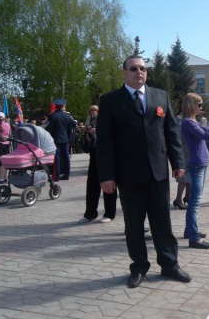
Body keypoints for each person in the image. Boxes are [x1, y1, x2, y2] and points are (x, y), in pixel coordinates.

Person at [96, 55, 191, 288]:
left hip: (158, 172)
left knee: (162, 222)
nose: (139, 72)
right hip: (128, 174)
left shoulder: (160, 96)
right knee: (134, 224)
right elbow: (105, 142)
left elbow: (171, 132)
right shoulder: (110, 100)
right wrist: (106, 176)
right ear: (124, 72)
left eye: (143, 68)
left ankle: (170, 265)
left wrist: (178, 162)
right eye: (134, 68)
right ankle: (139, 266)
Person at [180, 93, 209, 248]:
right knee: (195, 203)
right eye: (199, 105)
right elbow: (208, 135)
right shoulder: (187, 122)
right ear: (191, 105)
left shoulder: (193, 121)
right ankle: (194, 238)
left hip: (200, 164)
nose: (201, 107)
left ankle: (189, 231)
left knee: (194, 201)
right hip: (197, 165)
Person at [78, 105, 117, 224]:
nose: (93, 112)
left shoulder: (110, 118)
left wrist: (99, 131)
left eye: (95, 110)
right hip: (95, 154)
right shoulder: (90, 121)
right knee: (92, 184)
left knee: (109, 183)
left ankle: (109, 213)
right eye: (91, 110)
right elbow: (87, 142)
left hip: (108, 154)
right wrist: (90, 134)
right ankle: (90, 213)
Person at [45, 98, 75, 180]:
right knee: (66, 157)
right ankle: (67, 174)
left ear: (55, 106)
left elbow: (48, 129)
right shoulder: (68, 116)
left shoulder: (52, 116)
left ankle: (56, 176)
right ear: (63, 106)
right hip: (65, 139)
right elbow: (71, 127)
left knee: (56, 158)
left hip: (55, 139)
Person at [173, 107, 190, 210]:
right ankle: (178, 199)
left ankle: (187, 197)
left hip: (189, 152)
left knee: (190, 177)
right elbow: (180, 136)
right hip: (182, 152)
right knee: (183, 177)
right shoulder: (179, 120)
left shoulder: (188, 119)